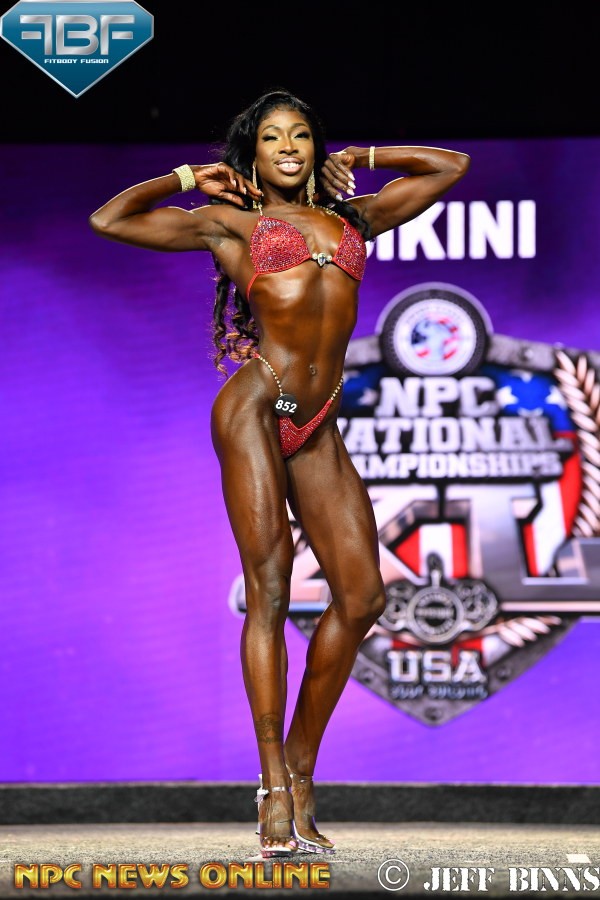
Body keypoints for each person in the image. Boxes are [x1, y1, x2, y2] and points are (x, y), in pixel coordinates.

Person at [89, 89, 470, 858]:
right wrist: (187, 176)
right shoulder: (232, 223)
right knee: (268, 591)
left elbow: (449, 166)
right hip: (257, 406)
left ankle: (300, 764)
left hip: (317, 421)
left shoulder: (354, 220)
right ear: (254, 154)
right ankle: (270, 787)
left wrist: (359, 158)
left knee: (362, 596)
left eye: (300, 135)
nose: (288, 147)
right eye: (272, 138)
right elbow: (110, 220)